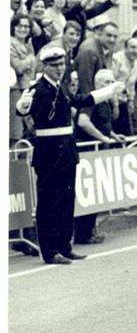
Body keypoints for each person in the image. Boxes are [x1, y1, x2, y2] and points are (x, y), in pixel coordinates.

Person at [14, 44, 124, 264]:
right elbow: (23, 109)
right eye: (54, 66)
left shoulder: (61, 88)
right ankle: (50, 250)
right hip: (48, 150)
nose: (59, 69)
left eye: (62, 64)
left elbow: (80, 100)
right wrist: (22, 105)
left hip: (66, 150)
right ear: (45, 66)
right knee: (49, 203)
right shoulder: (38, 89)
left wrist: (108, 92)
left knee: (66, 201)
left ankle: (65, 246)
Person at [73, 68, 128, 245]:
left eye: (112, 82)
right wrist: (102, 138)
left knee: (95, 192)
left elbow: (102, 123)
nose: (110, 86)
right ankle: (83, 234)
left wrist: (111, 134)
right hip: (87, 150)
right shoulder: (92, 99)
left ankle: (88, 232)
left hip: (97, 150)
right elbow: (83, 121)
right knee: (88, 191)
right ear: (97, 84)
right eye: (106, 82)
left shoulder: (105, 101)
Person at [9, 14, 37, 144]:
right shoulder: (9, 43)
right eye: (20, 26)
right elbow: (19, 67)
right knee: (16, 132)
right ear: (13, 27)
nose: (23, 29)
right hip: (16, 91)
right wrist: (30, 57)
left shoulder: (27, 44)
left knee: (29, 131)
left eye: (26, 26)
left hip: (28, 90)